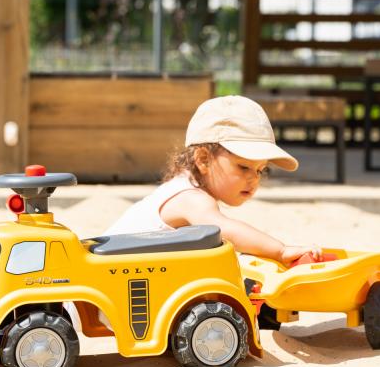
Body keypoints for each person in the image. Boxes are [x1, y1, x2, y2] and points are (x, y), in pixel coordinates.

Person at [103, 95, 321, 265]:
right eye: (243, 166)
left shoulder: (186, 191)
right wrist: (281, 251)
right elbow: (224, 229)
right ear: (203, 160)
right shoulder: (191, 198)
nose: (253, 178)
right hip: (104, 277)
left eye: (261, 170)